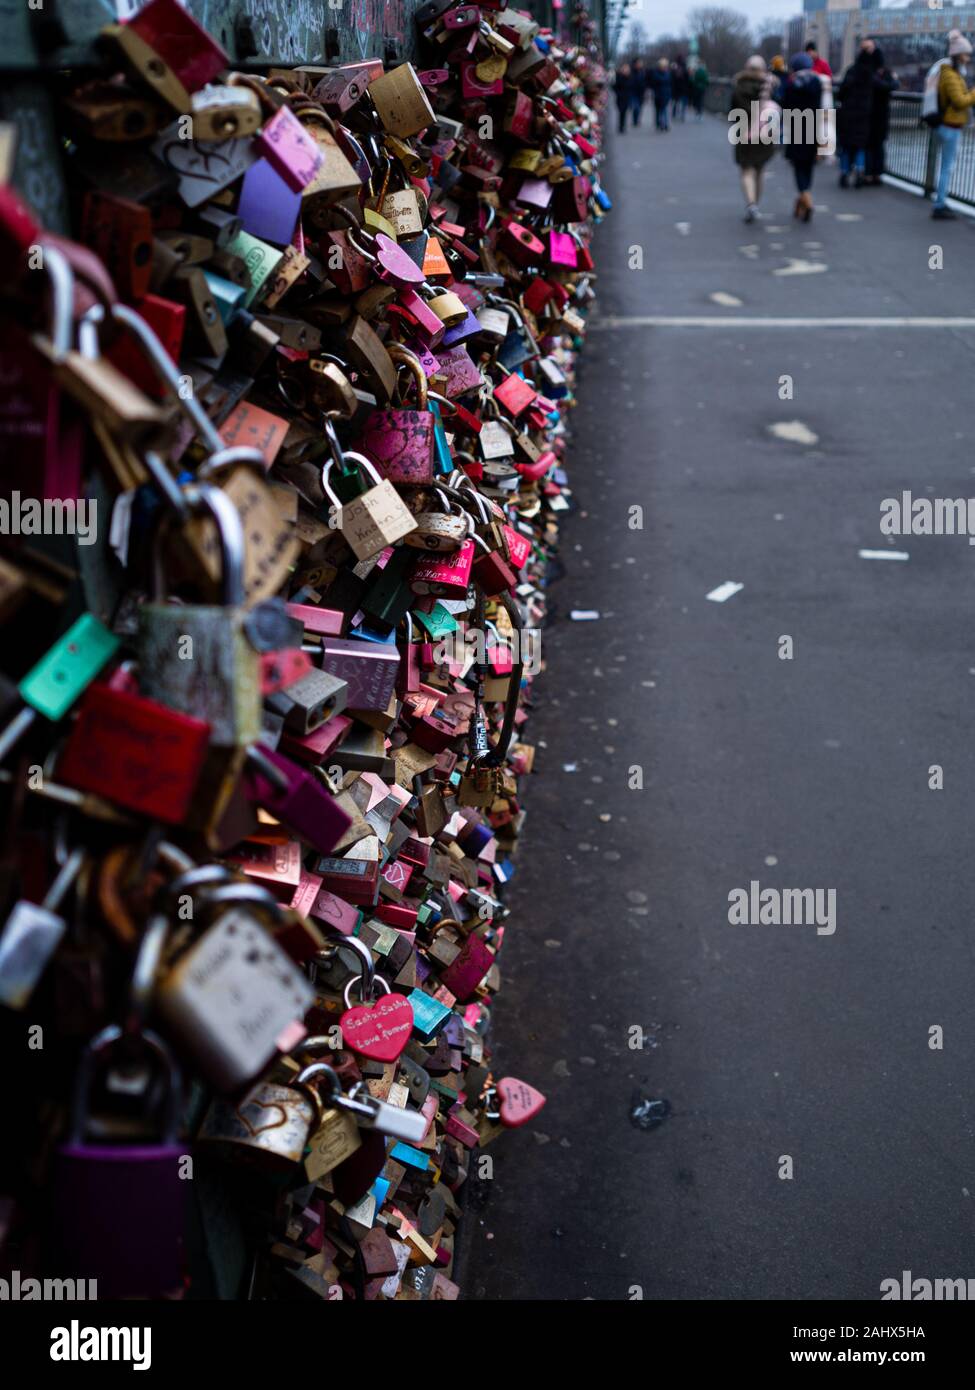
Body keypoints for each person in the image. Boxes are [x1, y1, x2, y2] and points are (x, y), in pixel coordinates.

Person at [931, 30, 975, 218]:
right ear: (958, 55)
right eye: (966, 54)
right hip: (950, 126)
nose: (968, 58)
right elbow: (960, 101)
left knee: (946, 166)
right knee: (947, 167)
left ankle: (940, 201)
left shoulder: (952, 73)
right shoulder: (950, 75)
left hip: (949, 125)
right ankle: (940, 204)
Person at [731, 55, 778, 223]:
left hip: (745, 134)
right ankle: (756, 203)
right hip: (765, 133)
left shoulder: (739, 87)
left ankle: (750, 204)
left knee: (747, 170)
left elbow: (733, 114)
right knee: (760, 170)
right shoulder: (771, 86)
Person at [781, 52, 822, 222]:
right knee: (808, 165)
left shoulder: (791, 85)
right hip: (813, 127)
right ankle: (803, 199)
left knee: (798, 166)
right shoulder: (816, 83)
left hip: (796, 127)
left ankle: (806, 199)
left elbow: (785, 105)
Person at [836, 42, 877, 187]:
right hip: (863, 114)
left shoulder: (851, 71)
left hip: (848, 113)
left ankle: (845, 171)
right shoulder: (870, 74)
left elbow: (841, 92)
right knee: (860, 146)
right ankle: (860, 170)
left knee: (846, 146)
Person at [865, 46, 897, 184]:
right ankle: (876, 174)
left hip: (870, 114)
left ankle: (869, 173)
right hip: (881, 115)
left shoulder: (868, 74)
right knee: (878, 146)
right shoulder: (886, 75)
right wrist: (893, 80)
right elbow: (892, 85)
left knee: (870, 146)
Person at [651, 57, 672, 131]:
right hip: (658, 95)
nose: (664, 68)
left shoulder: (667, 74)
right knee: (658, 110)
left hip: (665, 95)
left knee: (664, 110)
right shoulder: (656, 74)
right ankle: (659, 123)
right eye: (663, 66)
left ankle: (664, 124)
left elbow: (669, 84)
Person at [614, 62, 633, 135]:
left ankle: (622, 126)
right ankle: (620, 126)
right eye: (625, 69)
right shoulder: (619, 77)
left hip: (627, 97)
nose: (626, 71)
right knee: (621, 112)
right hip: (620, 97)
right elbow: (615, 87)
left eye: (627, 70)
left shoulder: (630, 77)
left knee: (624, 112)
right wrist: (618, 93)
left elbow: (631, 86)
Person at [630, 58, 648, 128]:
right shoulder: (632, 72)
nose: (639, 65)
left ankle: (637, 120)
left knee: (639, 107)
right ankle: (635, 120)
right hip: (634, 92)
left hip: (641, 93)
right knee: (636, 107)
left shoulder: (642, 71)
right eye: (638, 63)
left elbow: (645, 81)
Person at [671, 55, 689, 122]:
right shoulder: (685, 68)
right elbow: (687, 79)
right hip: (683, 88)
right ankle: (682, 115)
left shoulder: (674, 67)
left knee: (675, 102)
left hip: (676, 88)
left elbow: (672, 78)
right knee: (683, 102)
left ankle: (674, 113)